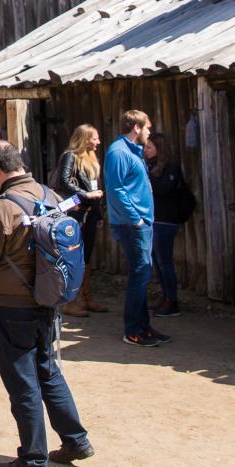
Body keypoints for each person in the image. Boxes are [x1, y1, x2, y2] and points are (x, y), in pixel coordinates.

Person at [0, 139, 93, 467]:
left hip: (11, 305)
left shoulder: (0, 208)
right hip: (47, 298)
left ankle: (33, 460)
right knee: (47, 369)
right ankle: (76, 441)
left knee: (22, 382)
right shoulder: (48, 195)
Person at [105, 110, 168, 347]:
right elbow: (116, 189)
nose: (150, 132)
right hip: (131, 224)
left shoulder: (133, 151)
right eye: (148, 127)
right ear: (137, 128)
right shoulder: (118, 152)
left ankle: (143, 326)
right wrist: (136, 219)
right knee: (140, 274)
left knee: (142, 274)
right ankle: (133, 330)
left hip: (140, 221)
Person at [55, 124, 107, 319]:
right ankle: (70, 302)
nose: (98, 142)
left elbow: (97, 189)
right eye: (95, 138)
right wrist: (86, 194)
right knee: (74, 257)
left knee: (86, 258)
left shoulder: (92, 159)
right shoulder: (70, 156)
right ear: (85, 139)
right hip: (75, 213)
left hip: (90, 213)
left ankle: (86, 297)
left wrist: (98, 214)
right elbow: (63, 181)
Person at [147, 130, 193, 318]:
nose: (146, 150)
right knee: (158, 262)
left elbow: (164, 189)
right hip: (155, 220)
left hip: (166, 221)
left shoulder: (171, 169)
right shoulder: (153, 167)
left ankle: (172, 301)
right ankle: (165, 296)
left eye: (149, 147)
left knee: (165, 262)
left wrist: (148, 179)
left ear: (160, 149)